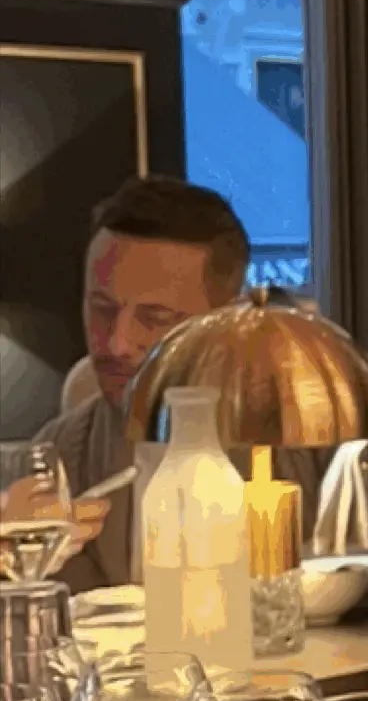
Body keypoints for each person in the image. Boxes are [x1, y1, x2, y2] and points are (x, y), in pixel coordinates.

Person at [32, 176, 250, 589]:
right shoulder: (58, 462)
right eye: (102, 309)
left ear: (230, 322)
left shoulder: (308, 449)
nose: (117, 343)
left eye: (155, 318)